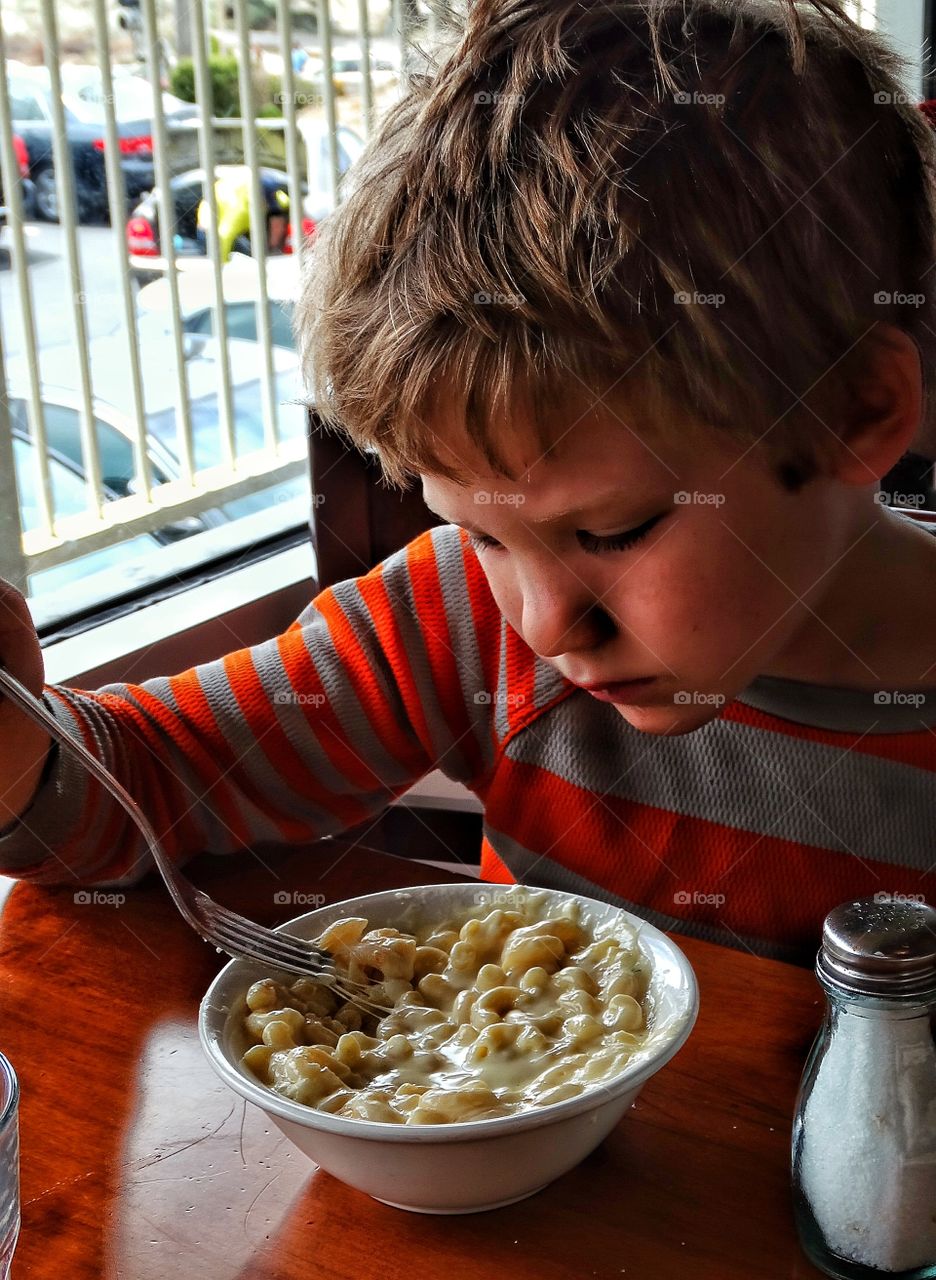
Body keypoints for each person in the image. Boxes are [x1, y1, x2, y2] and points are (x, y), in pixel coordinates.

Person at [2, 0, 936, 966]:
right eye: (485, 534)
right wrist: (15, 750)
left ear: (855, 413)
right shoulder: (456, 617)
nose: (542, 626)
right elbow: (151, 779)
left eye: (613, 531)